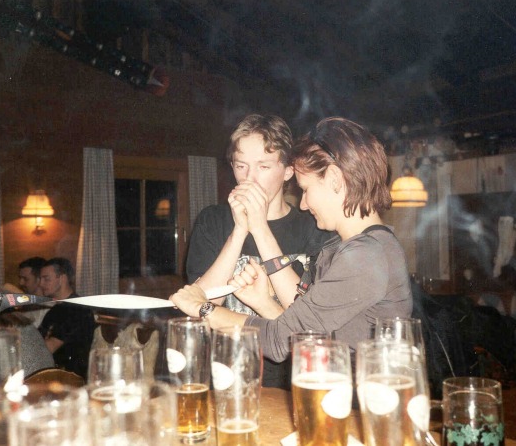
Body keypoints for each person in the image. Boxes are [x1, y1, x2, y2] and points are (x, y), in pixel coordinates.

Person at [171, 116, 413, 362]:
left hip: (362, 387)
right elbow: (307, 334)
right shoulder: (361, 248)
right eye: (241, 165)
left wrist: (203, 308)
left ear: (334, 179)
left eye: (305, 190)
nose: (303, 203)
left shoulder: (366, 255)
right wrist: (263, 302)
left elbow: (280, 339)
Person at [186, 114, 333, 388]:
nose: (249, 178)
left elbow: (308, 320)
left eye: (263, 166)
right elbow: (197, 306)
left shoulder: (314, 227)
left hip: (288, 382)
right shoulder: (212, 220)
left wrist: (259, 226)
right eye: (241, 166)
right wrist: (239, 231)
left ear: (288, 171)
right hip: (222, 373)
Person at [37, 257, 95, 379]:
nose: (41, 284)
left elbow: (48, 348)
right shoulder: (56, 310)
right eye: (40, 279)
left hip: (71, 379)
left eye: (46, 279)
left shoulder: (77, 309)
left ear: (62, 278)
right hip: (53, 373)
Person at [16, 256, 49, 327]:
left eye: (25, 279)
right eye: (20, 278)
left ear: (39, 279)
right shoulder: (26, 304)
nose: (21, 283)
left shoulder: (48, 307)